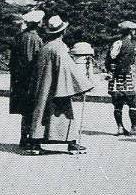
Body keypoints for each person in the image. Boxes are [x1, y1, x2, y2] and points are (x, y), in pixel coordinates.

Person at [27, 15, 94, 155]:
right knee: (64, 113)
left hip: (44, 86)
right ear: (63, 32)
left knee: (41, 112)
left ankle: (35, 144)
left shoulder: (46, 46)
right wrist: (84, 84)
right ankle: (71, 143)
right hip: (57, 86)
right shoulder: (59, 47)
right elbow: (68, 68)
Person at [8, 9, 44, 148]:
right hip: (29, 80)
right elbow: (32, 61)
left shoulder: (20, 36)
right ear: (37, 23)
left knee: (25, 112)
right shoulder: (34, 38)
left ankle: (24, 138)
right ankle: (31, 139)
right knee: (32, 110)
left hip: (19, 80)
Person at [106, 21, 136, 136]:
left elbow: (107, 61)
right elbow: (125, 63)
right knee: (133, 102)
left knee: (117, 104)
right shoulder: (129, 44)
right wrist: (121, 73)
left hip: (113, 76)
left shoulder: (115, 43)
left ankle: (120, 127)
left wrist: (111, 72)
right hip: (124, 76)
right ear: (131, 31)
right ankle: (134, 127)